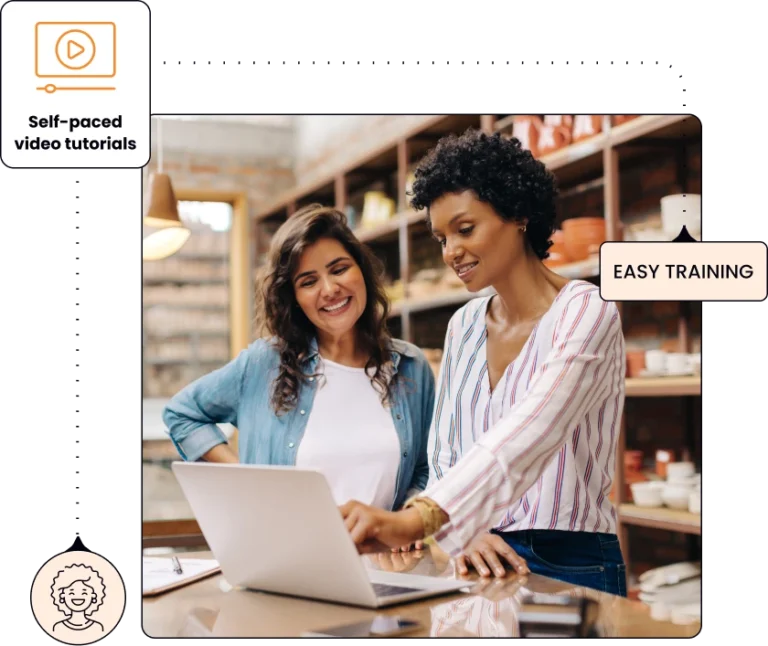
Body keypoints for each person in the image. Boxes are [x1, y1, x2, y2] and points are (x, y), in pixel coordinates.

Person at [340, 128, 627, 596]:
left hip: (570, 560)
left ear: (517, 215)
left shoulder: (586, 311)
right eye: (440, 237)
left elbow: (532, 432)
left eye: (465, 229)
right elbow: (446, 452)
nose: (451, 251)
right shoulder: (465, 324)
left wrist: (418, 520)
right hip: (476, 554)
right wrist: (464, 532)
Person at [163, 204, 436, 544]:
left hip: (384, 574)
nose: (330, 289)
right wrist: (244, 478)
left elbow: (427, 468)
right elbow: (182, 414)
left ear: (361, 271)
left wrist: (403, 525)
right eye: (308, 281)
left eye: (339, 269)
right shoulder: (265, 363)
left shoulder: (411, 367)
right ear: (294, 297)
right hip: (285, 560)